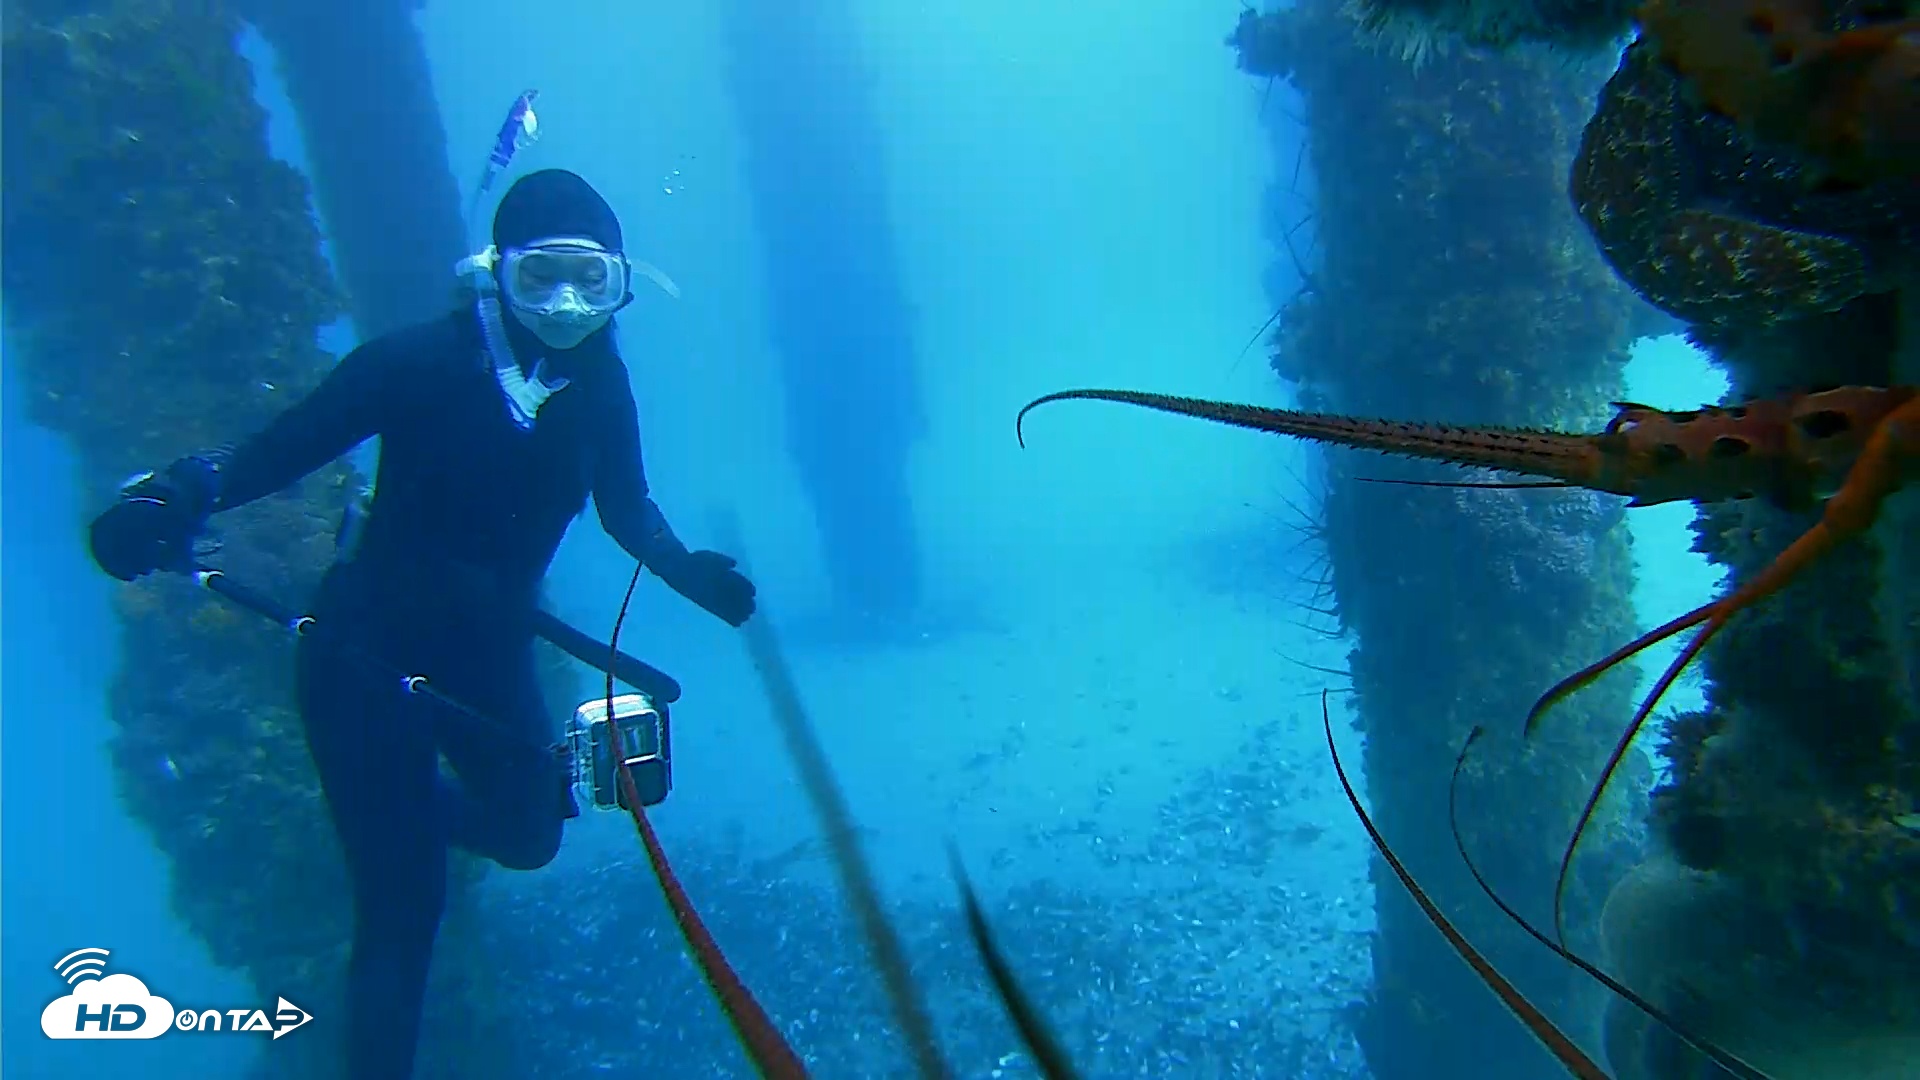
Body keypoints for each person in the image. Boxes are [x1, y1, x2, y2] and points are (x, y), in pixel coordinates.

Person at [86, 168, 756, 1079]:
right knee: (403, 918)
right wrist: (170, 495)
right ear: (497, 271)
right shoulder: (414, 364)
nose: (564, 306)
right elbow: (271, 453)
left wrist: (686, 572)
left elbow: (626, 507)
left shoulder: (602, 388)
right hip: (363, 654)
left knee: (530, 834)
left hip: (489, 649)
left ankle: (392, 813)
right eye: (540, 278)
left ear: (620, 284)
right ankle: (388, 831)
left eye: (590, 283)